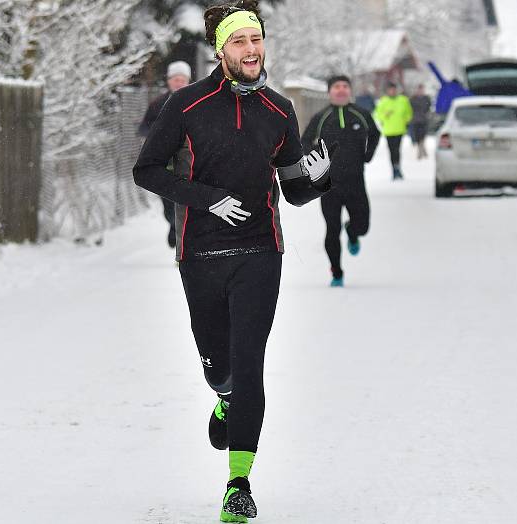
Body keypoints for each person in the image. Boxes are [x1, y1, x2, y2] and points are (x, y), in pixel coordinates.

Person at [132, 1, 333, 521]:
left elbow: (292, 192)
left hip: (261, 251)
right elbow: (147, 170)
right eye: (240, 42)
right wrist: (205, 199)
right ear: (221, 50)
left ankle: (238, 483)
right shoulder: (187, 106)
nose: (251, 50)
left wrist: (319, 178)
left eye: (256, 40)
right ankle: (222, 394)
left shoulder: (280, 110)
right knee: (218, 362)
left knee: (249, 367)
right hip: (199, 251)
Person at [302, 75, 380, 287]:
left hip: (356, 182)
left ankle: (353, 232)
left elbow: (375, 134)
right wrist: (318, 160)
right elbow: (305, 142)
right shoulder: (321, 117)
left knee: (362, 225)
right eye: (337, 87)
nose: (341, 90)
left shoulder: (361, 114)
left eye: (345, 86)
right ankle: (336, 272)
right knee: (332, 229)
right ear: (330, 91)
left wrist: (368, 154)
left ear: (350, 90)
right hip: (329, 185)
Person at [137, 60, 193, 248]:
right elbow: (144, 128)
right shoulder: (157, 104)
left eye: (182, 79)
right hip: (165, 164)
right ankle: (173, 224)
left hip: (189, 163)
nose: (178, 82)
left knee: (187, 202)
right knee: (169, 205)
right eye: (175, 79)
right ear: (169, 81)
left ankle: (182, 238)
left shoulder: (196, 102)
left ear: (188, 81)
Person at [374, 81, 412, 180]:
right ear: (387, 91)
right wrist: (385, 115)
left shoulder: (403, 100)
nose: (392, 91)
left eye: (394, 89)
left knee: (397, 150)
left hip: (400, 129)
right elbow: (377, 114)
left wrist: (406, 120)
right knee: (392, 151)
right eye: (390, 90)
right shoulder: (383, 101)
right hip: (389, 131)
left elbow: (409, 113)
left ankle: (398, 168)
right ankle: (394, 171)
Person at [409, 84, 432, 160]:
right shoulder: (413, 99)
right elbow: (410, 109)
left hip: (424, 120)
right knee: (418, 136)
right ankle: (421, 150)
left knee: (423, 136)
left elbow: (428, 108)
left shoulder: (426, 98)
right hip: (415, 121)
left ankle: (422, 150)